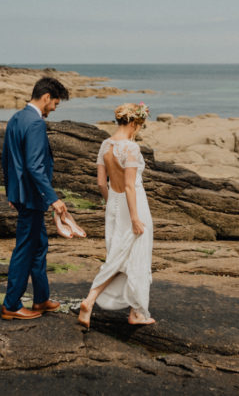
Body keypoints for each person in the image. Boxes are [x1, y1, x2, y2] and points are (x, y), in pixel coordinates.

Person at [0, 76, 85, 320]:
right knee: (25, 249)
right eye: (55, 104)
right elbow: (35, 166)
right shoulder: (36, 123)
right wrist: (53, 198)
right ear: (46, 97)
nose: (54, 109)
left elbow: (6, 158)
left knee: (39, 246)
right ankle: (11, 304)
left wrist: (11, 192)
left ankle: (40, 299)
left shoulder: (16, 117)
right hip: (33, 197)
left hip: (21, 194)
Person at [78, 102, 155, 328]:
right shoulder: (131, 148)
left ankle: (90, 300)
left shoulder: (105, 145)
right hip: (134, 205)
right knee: (137, 256)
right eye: (139, 126)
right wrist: (134, 218)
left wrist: (111, 202)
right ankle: (137, 313)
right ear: (133, 123)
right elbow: (130, 186)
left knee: (117, 257)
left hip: (114, 205)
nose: (138, 130)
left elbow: (102, 182)